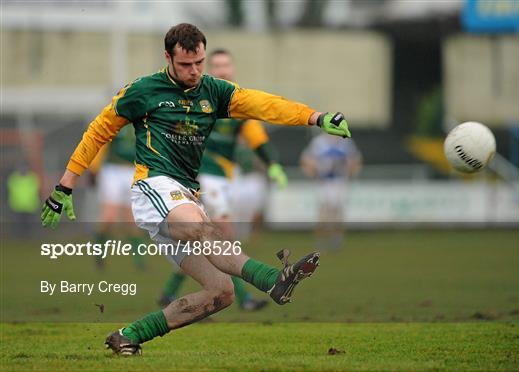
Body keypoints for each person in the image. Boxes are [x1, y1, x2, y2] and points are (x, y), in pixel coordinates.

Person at [40, 23, 351, 356]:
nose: (194, 71)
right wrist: (64, 187)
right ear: (168, 58)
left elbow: (264, 104)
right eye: (186, 65)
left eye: (199, 62)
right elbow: (96, 133)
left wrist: (315, 117)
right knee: (202, 228)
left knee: (221, 292)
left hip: (186, 196)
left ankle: (129, 335)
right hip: (153, 186)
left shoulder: (213, 91)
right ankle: (273, 279)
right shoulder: (142, 91)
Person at [158, 49, 288, 311]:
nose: (222, 70)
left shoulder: (236, 102)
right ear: (209, 69)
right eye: (216, 66)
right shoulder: (195, 98)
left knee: (206, 240)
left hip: (222, 178)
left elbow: (256, 136)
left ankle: (169, 292)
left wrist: (272, 165)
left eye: (226, 66)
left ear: (232, 69)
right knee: (223, 234)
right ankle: (246, 298)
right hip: (203, 176)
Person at [88, 126, 146, 270]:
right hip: (112, 171)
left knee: (132, 220)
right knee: (109, 218)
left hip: (135, 171)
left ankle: (140, 263)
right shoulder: (118, 116)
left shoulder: (144, 119)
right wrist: (94, 168)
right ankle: (99, 257)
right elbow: (101, 142)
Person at [301, 133, 361, 250]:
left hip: (340, 180)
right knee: (323, 211)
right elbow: (306, 159)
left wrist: (351, 173)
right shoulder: (319, 142)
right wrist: (312, 171)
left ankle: (336, 238)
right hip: (324, 181)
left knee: (338, 211)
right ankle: (321, 240)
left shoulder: (346, 142)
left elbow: (355, 159)